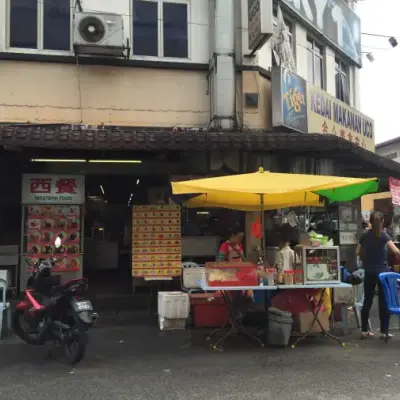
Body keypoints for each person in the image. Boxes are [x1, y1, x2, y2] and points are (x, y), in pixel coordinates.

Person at [357, 211, 400, 339]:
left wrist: (367, 256)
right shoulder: (384, 236)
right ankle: (384, 332)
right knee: (384, 302)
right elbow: (396, 251)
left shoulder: (365, 236)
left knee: (367, 300)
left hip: (369, 271)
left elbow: (358, 252)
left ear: (370, 221)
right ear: (381, 222)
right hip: (383, 272)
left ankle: (364, 330)